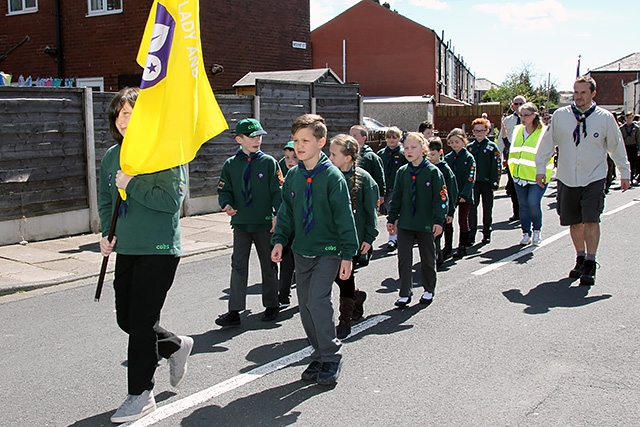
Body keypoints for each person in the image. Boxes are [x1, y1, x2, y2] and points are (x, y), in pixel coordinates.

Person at [99, 88, 194, 423]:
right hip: (126, 248)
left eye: (131, 113)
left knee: (140, 322)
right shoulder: (113, 155)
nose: (125, 120)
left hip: (159, 249)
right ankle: (175, 345)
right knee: (127, 319)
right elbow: (107, 198)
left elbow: (170, 203)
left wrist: (133, 182)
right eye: (121, 114)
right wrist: (105, 234)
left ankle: (140, 394)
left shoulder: (167, 151)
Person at [271, 114, 358, 386]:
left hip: (329, 250)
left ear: (321, 142)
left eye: (305, 140)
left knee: (318, 302)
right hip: (302, 250)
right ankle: (318, 353)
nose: (299, 146)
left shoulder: (333, 177)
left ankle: (331, 355)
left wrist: (347, 254)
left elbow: (345, 217)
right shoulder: (294, 176)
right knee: (305, 306)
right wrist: (278, 239)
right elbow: (286, 211)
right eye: (296, 140)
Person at [535, 75, 631, 286]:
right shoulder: (561, 116)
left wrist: (625, 173)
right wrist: (541, 168)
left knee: (591, 219)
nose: (578, 97)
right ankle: (580, 257)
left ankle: (591, 261)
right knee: (574, 221)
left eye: (583, 92)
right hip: (567, 177)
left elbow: (616, 146)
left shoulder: (605, 118)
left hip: (594, 176)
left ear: (593, 93)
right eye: (575, 92)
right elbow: (547, 144)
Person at [215, 118, 283, 327]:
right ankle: (234, 310)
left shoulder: (269, 162)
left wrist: (277, 215)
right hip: (242, 224)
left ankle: (272, 305)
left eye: (260, 136)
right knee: (238, 265)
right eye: (252, 137)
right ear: (239, 139)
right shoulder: (231, 165)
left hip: (264, 224)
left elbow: (277, 192)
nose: (257, 140)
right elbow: (224, 189)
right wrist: (226, 204)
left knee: (269, 264)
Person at [386, 132, 447, 308]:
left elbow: (441, 198)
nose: (409, 151)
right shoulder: (402, 172)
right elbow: (396, 198)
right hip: (406, 223)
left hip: (425, 223)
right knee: (404, 258)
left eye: (413, 147)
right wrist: (392, 218)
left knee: (428, 258)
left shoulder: (433, 172)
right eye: (406, 148)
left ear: (423, 148)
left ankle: (429, 289)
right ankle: (405, 292)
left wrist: (438, 220)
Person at [329, 134, 379, 338]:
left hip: (354, 240)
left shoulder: (365, 180)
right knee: (335, 276)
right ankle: (357, 297)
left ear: (348, 157)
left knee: (345, 276)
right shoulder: (330, 176)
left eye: (334, 154)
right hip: (331, 239)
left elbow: (371, 212)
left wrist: (369, 237)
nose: (329, 158)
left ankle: (345, 320)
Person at [507, 102, 553, 246]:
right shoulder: (517, 130)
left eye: (526, 115)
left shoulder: (544, 131)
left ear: (534, 115)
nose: (523, 118)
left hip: (537, 175)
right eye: (521, 115)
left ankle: (537, 231)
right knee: (523, 205)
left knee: (533, 203)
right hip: (519, 175)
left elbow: (549, 152)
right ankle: (526, 233)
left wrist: (543, 172)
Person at [467, 117, 501, 244]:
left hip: (487, 183)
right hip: (474, 183)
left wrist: (495, 182)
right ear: (473, 132)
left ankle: (486, 232)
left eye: (482, 130)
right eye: (476, 131)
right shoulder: (470, 148)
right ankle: (471, 233)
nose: (479, 133)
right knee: (472, 208)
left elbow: (497, 166)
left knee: (487, 208)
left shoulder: (492, 147)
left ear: (487, 131)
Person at [444, 128, 476, 258]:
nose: (454, 144)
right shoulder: (447, 158)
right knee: (448, 220)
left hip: (464, 195)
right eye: (451, 142)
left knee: (463, 219)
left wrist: (464, 194)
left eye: (457, 141)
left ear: (464, 141)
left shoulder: (469, 158)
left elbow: (471, 177)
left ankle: (462, 246)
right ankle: (448, 246)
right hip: (450, 195)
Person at [427, 137, 458, 265]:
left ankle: (442, 253)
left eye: (433, 154)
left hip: (442, 207)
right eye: (428, 154)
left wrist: (450, 211)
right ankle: (435, 256)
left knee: (440, 231)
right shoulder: (426, 169)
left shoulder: (445, 170)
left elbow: (451, 191)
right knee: (432, 234)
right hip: (429, 209)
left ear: (440, 153)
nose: (430, 157)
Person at [377, 126, 406, 251]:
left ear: (399, 138)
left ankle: (393, 238)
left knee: (394, 213)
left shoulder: (402, 153)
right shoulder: (381, 154)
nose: (391, 140)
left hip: (397, 188)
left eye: (394, 137)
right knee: (389, 212)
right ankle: (395, 235)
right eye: (389, 137)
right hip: (385, 187)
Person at [277, 140, 297, 308]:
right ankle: (283, 294)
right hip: (289, 228)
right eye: (287, 157)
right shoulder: (283, 175)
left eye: (294, 157)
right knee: (286, 261)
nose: (290, 161)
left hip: (306, 230)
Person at [499, 95, 527, 221]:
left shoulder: (532, 119)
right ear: (512, 105)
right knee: (514, 186)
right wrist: (497, 156)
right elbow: (501, 138)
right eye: (516, 104)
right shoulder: (507, 120)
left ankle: (527, 212)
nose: (519, 106)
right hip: (512, 156)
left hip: (528, 157)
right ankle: (517, 212)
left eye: (521, 104)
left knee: (527, 186)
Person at [349, 125, 386, 206]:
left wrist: (381, 194)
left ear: (364, 138)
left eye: (355, 135)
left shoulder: (371, 157)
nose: (352, 138)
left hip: (367, 191)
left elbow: (379, 175)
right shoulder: (347, 155)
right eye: (350, 135)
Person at [620, 111, 640, 185]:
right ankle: (625, 178)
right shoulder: (622, 128)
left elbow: (638, 139)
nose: (629, 119)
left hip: (633, 147)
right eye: (627, 118)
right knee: (624, 163)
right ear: (625, 118)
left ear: (633, 118)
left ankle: (631, 178)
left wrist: (639, 149)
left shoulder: (636, 128)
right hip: (625, 147)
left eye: (630, 118)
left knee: (632, 163)